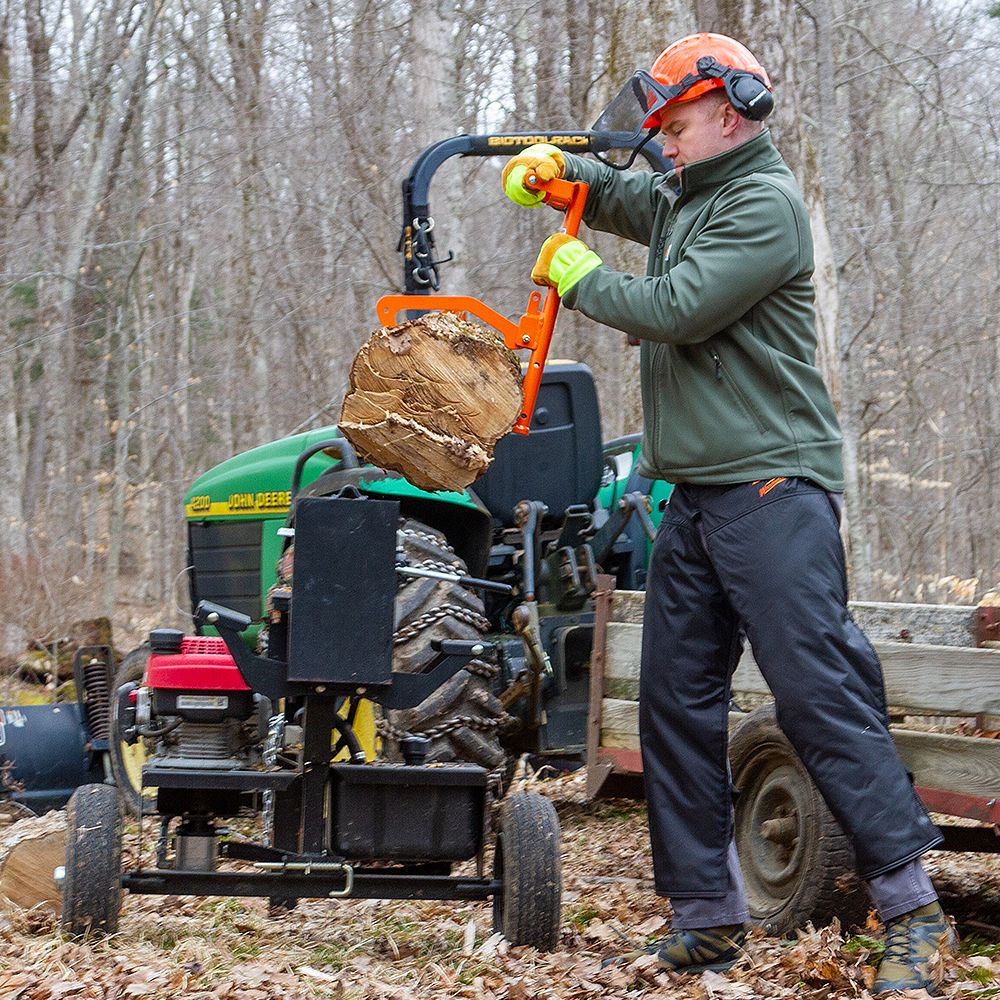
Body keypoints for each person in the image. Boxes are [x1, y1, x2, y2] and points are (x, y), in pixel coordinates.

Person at [501, 32, 955, 996]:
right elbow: (631, 199)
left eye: (673, 122)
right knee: (673, 705)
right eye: (654, 127)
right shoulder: (691, 191)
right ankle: (707, 918)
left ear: (730, 110)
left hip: (773, 490)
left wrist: (577, 275)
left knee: (816, 694)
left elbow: (678, 305)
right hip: (698, 499)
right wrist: (562, 174)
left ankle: (914, 911)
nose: (659, 140)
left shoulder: (764, 205)